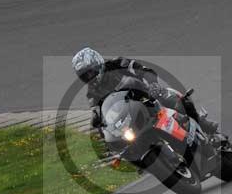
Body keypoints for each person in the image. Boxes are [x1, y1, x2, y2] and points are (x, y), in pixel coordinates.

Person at [71, 47, 218, 135]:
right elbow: (97, 112)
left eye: (90, 72)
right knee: (125, 140)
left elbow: (144, 70)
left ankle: (201, 122)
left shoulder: (117, 63)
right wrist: (97, 124)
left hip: (147, 95)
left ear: (98, 63)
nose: (89, 77)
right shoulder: (92, 92)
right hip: (129, 114)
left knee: (174, 99)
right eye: (84, 76)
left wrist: (153, 84)